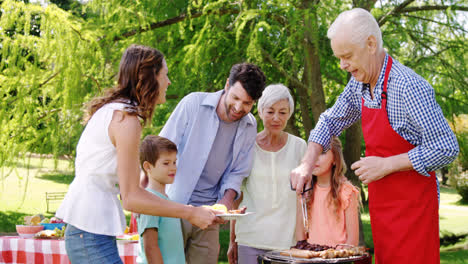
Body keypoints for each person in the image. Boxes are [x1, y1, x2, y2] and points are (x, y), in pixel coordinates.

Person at [290, 8, 459, 264]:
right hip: (383, 212)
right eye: (339, 58)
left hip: (414, 214)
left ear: (370, 44)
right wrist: (306, 162)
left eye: (347, 56)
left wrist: (388, 164)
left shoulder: (407, 87)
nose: (342, 65)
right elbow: (330, 120)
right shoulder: (359, 84)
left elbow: (446, 146)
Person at [56, 44, 217, 263]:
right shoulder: (126, 120)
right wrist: (189, 213)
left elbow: (132, 192)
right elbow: (131, 198)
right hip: (89, 234)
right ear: (150, 78)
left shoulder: (117, 112)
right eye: (165, 75)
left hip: (88, 231)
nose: (169, 82)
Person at [159, 62, 266, 264]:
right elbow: (161, 149)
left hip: (210, 215)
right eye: (235, 98)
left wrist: (225, 203)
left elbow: (237, 172)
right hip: (174, 206)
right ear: (227, 85)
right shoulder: (193, 104)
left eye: (247, 103)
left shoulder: (249, 126)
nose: (238, 107)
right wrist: (151, 197)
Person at [227, 84, 307, 264]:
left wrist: (304, 239)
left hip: (286, 242)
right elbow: (236, 198)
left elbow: (306, 197)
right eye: (270, 112)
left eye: (283, 112)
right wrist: (232, 241)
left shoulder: (300, 147)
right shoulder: (246, 146)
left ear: (290, 114)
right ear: (260, 112)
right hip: (249, 238)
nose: (276, 118)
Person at [295, 137, 359, 247]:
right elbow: (300, 236)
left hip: (338, 258)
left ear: (335, 159)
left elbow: (352, 241)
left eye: (322, 153)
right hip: (311, 257)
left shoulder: (347, 192)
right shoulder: (304, 190)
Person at [137, 135, 184, 264]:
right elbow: (150, 247)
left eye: (174, 162)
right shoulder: (149, 202)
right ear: (148, 167)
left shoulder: (166, 200)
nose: (173, 167)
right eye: (166, 163)